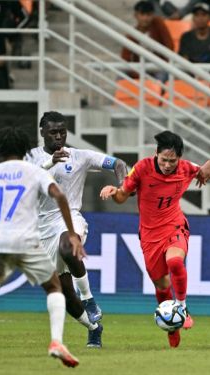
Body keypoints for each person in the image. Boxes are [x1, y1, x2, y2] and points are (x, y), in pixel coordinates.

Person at [0, 127, 84, 369]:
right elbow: (60, 195)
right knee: (54, 285)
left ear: (0, 150)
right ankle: (56, 342)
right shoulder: (33, 171)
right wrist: (72, 234)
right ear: (24, 150)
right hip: (25, 241)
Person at [99, 130, 210, 348]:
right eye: (164, 160)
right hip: (149, 235)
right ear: (156, 154)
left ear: (179, 159)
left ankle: (182, 308)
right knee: (162, 285)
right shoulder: (142, 168)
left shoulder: (184, 168)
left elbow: (208, 172)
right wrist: (113, 191)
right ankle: (172, 330)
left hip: (174, 224)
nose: (167, 165)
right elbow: (121, 197)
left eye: (172, 161)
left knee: (175, 261)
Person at [24, 111, 128, 348]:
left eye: (62, 132)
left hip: (70, 217)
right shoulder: (30, 157)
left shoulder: (79, 156)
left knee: (68, 247)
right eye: (53, 132)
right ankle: (94, 328)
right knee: (64, 295)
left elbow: (119, 164)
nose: (59, 136)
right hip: (41, 227)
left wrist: (123, 188)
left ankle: (89, 300)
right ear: (42, 132)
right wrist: (52, 162)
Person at [121, 1, 174, 83]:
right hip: (140, 69)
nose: (145, 18)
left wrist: (164, 64)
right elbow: (125, 58)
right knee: (121, 74)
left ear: (153, 15)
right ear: (136, 15)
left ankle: (156, 93)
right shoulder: (131, 35)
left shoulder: (158, 23)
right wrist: (140, 75)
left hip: (159, 66)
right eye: (142, 14)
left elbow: (169, 46)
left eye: (148, 15)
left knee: (161, 77)